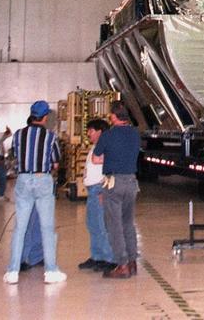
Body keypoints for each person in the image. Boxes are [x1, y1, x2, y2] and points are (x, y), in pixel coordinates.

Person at [3, 100, 66, 284]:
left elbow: (14, 156)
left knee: (20, 227)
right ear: (45, 117)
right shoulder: (50, 136)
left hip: (23, 179)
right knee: (47, 227)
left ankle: (13, 271)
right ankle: (51, 271)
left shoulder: (18, 135)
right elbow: (55, 162)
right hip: (42, 179)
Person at [93, 101, 141, 279]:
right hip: (131, 182)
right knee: (128, 222)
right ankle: (132, 261)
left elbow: (97, 157)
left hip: (114, 183)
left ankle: (122, 264)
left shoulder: (108, 135)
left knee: (114, 225)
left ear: (113, 116)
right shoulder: (135, 134)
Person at [77, 119, 116, 272]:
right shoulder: (96, 147)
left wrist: (104, 190)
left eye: (91, 131)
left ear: (100, 131)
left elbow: (111, 167)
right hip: (92, 191)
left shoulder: (107, 147)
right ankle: (97, 256)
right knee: (93, 225)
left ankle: (109, 259)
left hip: (100, 190)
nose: (88, 134)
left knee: (102, 226)